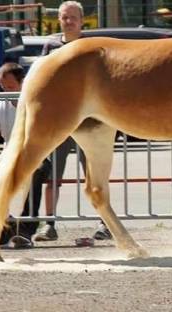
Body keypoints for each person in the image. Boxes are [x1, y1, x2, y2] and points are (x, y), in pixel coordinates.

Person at [33, 1, 112, 242]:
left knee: (96, 174)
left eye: (73, 17)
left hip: (90, 121)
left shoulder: (91, 47)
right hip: (61, 121)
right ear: (59, 19)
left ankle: (105, 223)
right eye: (64, 17)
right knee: (53, 175)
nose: (68, 21)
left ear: (81, 19)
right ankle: (49, 224)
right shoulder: (51, 46)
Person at [0, 62, 51, 248]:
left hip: (36, 154)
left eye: (10, 87)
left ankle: (27, 231)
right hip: (7, 157)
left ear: (23, 83)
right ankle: (6, 227)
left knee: (35, 172)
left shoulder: (35, 106)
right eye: (3, 86)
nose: (6, 91)